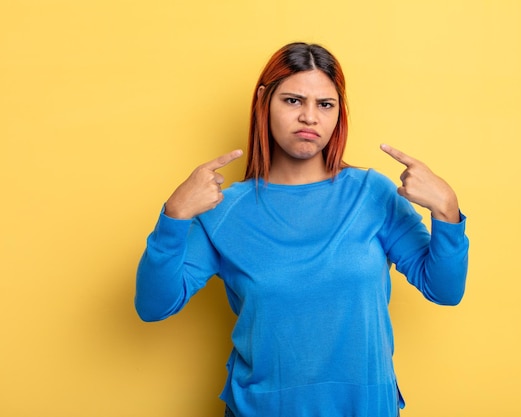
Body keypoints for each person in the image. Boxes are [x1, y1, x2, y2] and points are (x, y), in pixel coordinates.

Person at [135, 42, 469, 417]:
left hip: (365, 408)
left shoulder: (371, 193)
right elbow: (153, 305)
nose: (310, 117)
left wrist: (447, 210)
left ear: (338, 112)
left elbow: (445, 290)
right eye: (293, 101)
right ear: (264, 100)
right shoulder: (223, 210)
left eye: (325, 104)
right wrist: (175, 216)